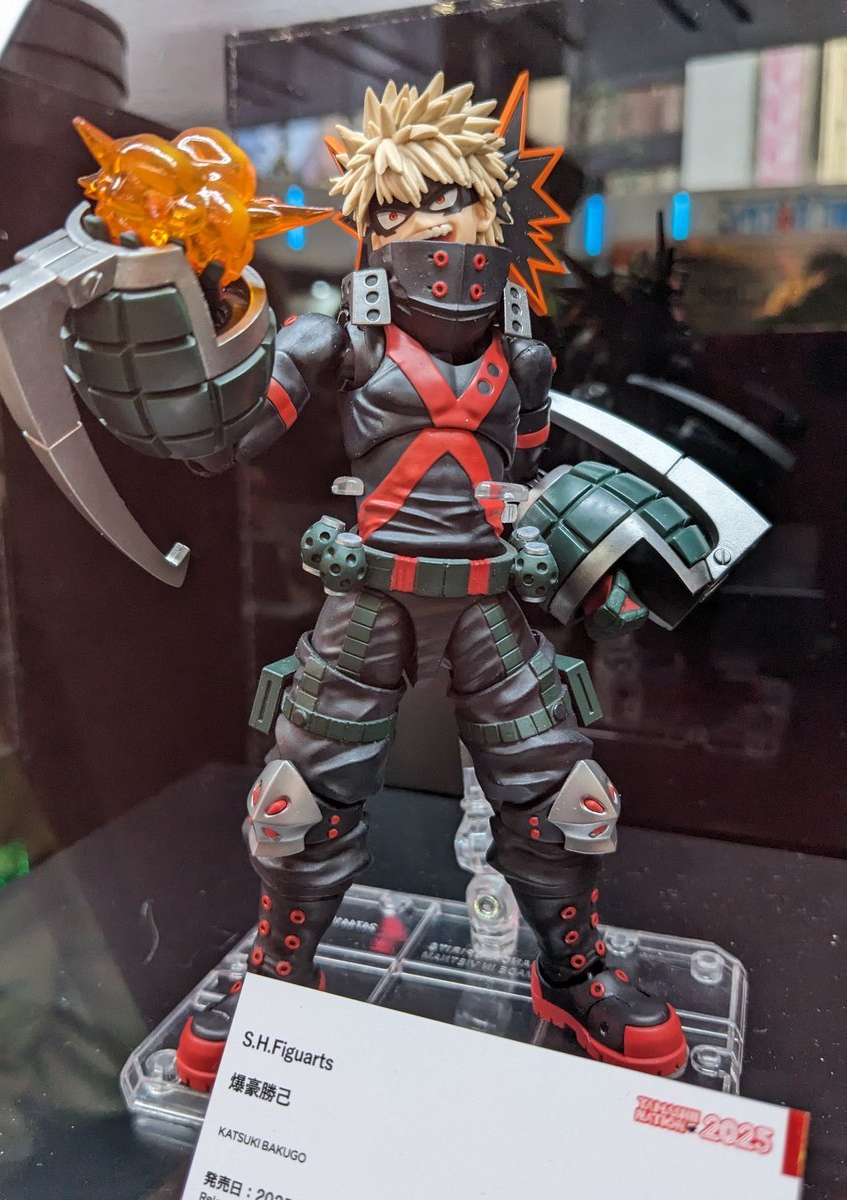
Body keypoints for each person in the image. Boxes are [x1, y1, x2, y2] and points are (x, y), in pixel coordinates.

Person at [175, 73, 687, 1090]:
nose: (441, 228)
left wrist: (566, 552)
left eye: (459, 202)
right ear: (376, 227)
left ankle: (572, 971)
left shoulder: (524, 358)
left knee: (562, 794)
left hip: (491, 603)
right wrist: (212, 325)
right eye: (414, 206)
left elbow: (526, 475)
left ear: (494, 216)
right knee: (300, 800)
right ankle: (282, 970)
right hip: (371, 600)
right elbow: (225, 437)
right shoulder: (339, 336)